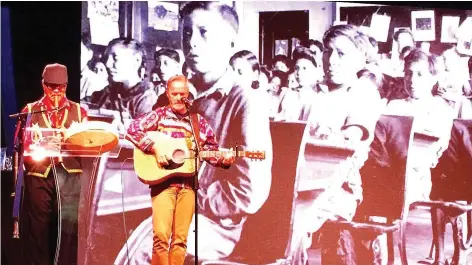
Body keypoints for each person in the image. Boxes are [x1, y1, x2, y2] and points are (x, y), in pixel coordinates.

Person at [125, 75, 235, 265]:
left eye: (183, 95)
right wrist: (154, 147)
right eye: (174, 95)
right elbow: (133, 130)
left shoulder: (198, 123)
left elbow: (210, 151)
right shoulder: (158, 115)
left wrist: (222, 160)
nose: (179, 99)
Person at [17, 63, 88, 265]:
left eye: (61, 87)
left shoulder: (79, 111)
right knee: (38, 230)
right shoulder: (30, 110)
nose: (56, 91)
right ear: (43, 84)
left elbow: (86, 143)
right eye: (51, 87)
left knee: (68, 228)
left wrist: (70, 140)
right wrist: (42, 143)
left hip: (70, 173)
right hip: (40, 174)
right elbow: (22, 145)